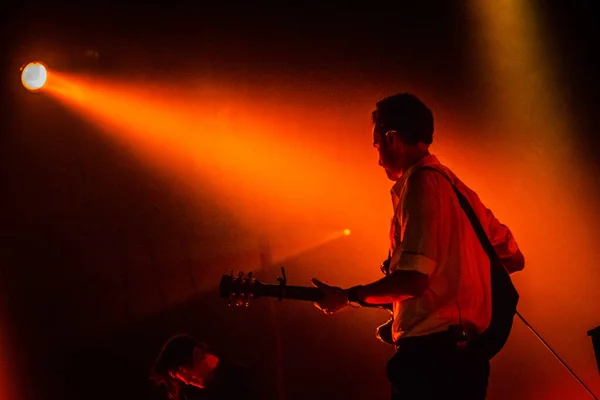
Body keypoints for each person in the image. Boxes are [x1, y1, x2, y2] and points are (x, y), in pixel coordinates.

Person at [311, 93, 525, 399]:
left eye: (377, 146)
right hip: (466, 358)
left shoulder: (419, 185)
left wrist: (349, 296)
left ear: (392, 138)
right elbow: (514, 257)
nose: (377, 158)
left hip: (432, 362)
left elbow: (412, 280)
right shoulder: (458, 188)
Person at [150, 334, 255, 400]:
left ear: (197, 353)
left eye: (183, 370)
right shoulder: (188, 394)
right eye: (176, 376)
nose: (186, 381)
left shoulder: (242, 376)